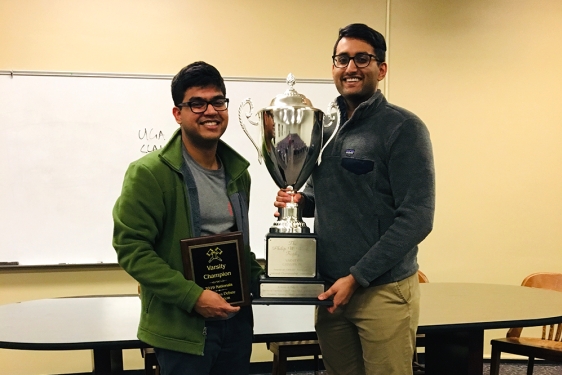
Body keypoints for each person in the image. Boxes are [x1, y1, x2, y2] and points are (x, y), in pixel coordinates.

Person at [274, 23, 435, 375]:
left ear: (382, 68)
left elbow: (418, 216)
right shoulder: (322, 128)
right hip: (332, 291)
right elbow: (323, 197)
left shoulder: (403, 128)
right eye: (342, 59)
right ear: (333, 67)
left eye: (362, 59)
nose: (351, 68)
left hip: (383, 292)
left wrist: (357, 277)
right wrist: (297, 204)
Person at [113, 61, 264, 375]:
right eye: (197, 103)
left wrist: (274, 285)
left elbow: (238, 248)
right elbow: (133, 250)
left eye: (218, 101)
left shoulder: (239, 174)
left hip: (235, 327)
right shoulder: (149, 174)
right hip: (182, 331)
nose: (210, 110)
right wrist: (193, 297)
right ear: (177, 113)